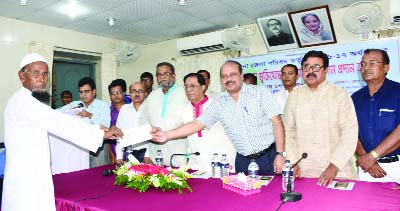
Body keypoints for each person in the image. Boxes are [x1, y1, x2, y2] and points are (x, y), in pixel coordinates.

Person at [2, 53, 121, 211]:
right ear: (21, 75)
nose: (42, 79)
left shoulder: (28, 100)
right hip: (26, 176)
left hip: (33, 171)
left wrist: (96, 129)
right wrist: (100, 134)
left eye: (45, 74)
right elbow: (59, 122)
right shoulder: (24, 101)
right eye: (35, 73)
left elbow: (57, 118)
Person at [152, 60, 285, 175]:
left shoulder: (260, 93)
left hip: (268, 157)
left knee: (272, 198)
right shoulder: (220, 101)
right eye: (224, 76)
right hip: (242, 160)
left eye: (232, 74)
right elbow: (197, 124)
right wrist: (167, 135)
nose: (228, 79)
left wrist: (280, 154)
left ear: (241, 75)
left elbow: (277, 123)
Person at [283, 50, 358, 186]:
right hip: (303, 169)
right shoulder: (295, 96)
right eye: (306, 67)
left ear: (326, 70)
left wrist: (334, 165)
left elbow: (349, 134)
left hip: (336, 170)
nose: (310, 71)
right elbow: (287, 132)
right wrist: (293, 162)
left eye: (316, 67)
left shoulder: (340, 95)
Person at [351, 49, 400, 184]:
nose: (366, 67)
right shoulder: (355, 98)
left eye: (372, 63)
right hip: (367, 168)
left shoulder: (398, 93)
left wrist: (372, 156)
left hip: (397, 166)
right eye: (363, 64)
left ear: (385, 68)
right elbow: (351, 131)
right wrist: (365, 158)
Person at [179, 73, 236, 171]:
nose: (188, 90)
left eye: (192, 86)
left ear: (203, 87)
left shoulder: (218, 105)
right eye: (186, 86)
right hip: (196, 163)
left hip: (221, 161)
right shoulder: (183, 109)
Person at [140, 62, 189, 166]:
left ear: (174, 76)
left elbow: (191, 122)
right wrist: (149, 131)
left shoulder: (185, 94)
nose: (162, 77)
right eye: (159, 74)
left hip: (178, 152)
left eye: (166, 73)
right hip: (156, 153)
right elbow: (143, 119)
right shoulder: (152, 96)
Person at [59, 77, 111, 168]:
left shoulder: (103, 106)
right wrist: (70, 113)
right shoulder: (75, 104)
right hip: (80, 147)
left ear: (94, 92)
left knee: (99, 174)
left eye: (86, 91)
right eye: (81, 92)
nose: (83, 95)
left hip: (99, 147)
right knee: (82, 175)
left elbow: (105, 126)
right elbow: (56, 113)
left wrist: (90, 115)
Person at [115, 82, 152, 164]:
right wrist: (119, 157)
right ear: (130, 94)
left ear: (145, 93)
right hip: (129, 154)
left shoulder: (151, 108)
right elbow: (119, 134)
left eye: (140, 91)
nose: (137, 93)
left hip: (149, 155)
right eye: (134, 91)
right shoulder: (124, 109)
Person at [107, 79, 128, 164]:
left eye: (118, 92)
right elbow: (108, 135)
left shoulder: (132, 107)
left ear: (124, 93)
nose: (116, 95)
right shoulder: (108, 111)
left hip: (132, 146)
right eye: (113, 93)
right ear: (110, 95)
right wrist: (111, 155)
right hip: (115, 148)